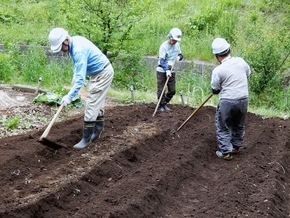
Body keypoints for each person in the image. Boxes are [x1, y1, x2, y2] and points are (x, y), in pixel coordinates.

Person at [48, 27, 114, 149]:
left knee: (91, 103)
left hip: (103, 73)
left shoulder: (78, 49)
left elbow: (80, 78)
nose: (61, 51)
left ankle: (86, 139)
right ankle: (97, 133)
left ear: (66, 40)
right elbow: (78, 69)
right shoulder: (75, 42)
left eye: (60, 47)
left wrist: (69, 96)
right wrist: (73, 85)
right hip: (97, 73)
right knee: (97, 103)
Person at [210, 37, 251, 160]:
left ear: (217, 55)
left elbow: (215, 89)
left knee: (223, 125)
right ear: (228, 49)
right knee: (239, 124)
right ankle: (236, 146)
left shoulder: (218, 70)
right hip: (243, 99)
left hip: (228, 101)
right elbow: (247, 74)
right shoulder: (241, 61)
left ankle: (226, 152)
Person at [156, 27, 183, 111]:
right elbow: (162, 60)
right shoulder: (163, 46)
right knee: (161, 89)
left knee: (172, 90)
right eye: (174, 40)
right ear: (170, 37)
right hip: (162, 70)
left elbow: (181, 55)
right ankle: (161, 105)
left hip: (172, 69)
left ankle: (164, 103)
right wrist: (166, 69)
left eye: (176, 41)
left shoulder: (177, 45)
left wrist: (179, 57)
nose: (175, 42)